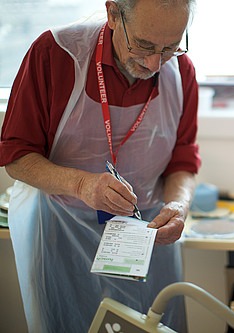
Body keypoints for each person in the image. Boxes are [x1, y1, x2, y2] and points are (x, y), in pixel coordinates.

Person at [0, 0, 199, 332]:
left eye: (169, 48)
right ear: (113, 13)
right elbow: (16, 156)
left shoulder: (182, 71)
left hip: (147, 238)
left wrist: (179, 204)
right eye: (144, 45)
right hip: (63, 236)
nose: (153, 63)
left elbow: (183, 157)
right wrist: (81, 185)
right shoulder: (56, 54)